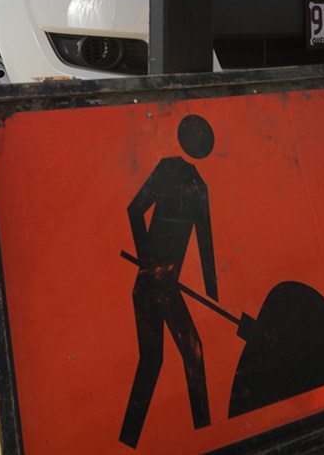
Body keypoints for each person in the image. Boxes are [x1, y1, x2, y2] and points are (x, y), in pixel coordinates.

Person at [120, 114, 218, 449]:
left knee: (154, 361)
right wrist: (147, 259)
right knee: (191, 353)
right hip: (152, 283)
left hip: (163, 284)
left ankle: (129, 439)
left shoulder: (200, 187)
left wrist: (213, 293)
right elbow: (134, 210)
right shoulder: (168, 169)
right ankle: (206, 434)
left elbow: (206, 244)